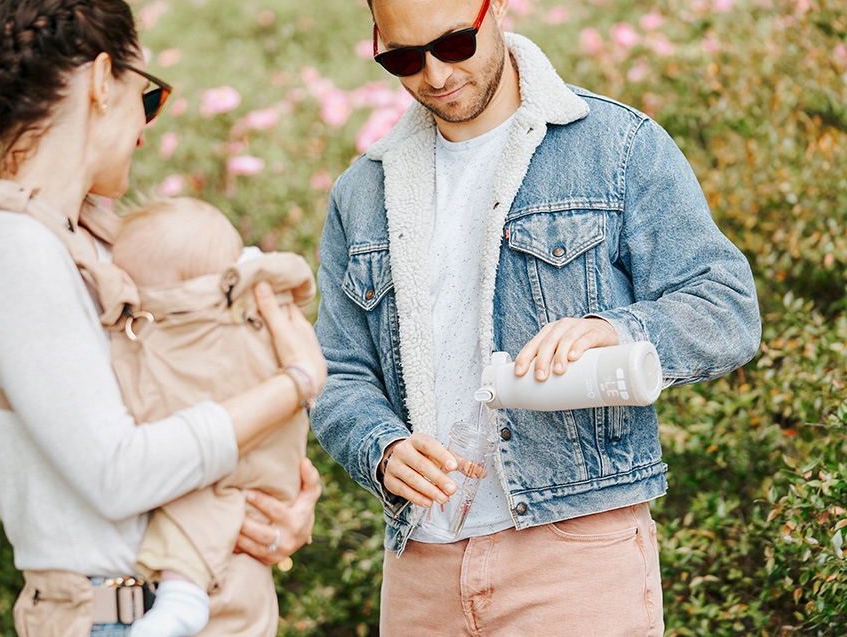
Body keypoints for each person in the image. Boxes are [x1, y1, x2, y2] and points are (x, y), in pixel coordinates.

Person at [310, 0, 761, 635]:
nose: (435, 76)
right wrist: (380, 450)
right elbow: (336, 372)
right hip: (420, 567)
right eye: (404, 59)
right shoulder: (361, 192)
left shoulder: (616, 143)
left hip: (576, 551)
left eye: (454, 45)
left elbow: (726, 307)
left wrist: (616, 331)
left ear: (492, 12)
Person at [0, 1, 326, 635]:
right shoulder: (6, 247)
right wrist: (296, 385)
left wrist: (278, 508)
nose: (145, 128)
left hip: (186, 601)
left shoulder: (91, 242)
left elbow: (191, 408)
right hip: (113, 613)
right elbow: (118, 474)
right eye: (148, 94)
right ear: (102, 80)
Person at [108, 198, 317, 636]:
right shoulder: (262, 312)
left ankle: (181, 599)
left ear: (175, 292)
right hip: (251, 553)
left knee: (194, 507)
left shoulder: (193, 334)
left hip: (224, 507)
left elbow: (141, 421)